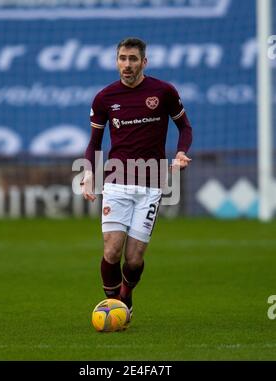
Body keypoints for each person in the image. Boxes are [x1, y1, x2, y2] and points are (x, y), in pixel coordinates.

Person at [81, 37, 192, 323]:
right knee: (111, 249)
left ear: (144, 62)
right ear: (116, 61)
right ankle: (113, 304)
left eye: (132, 59)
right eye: (122, 58)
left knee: (133, 258)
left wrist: (181, 153)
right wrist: (90, 172)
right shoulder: (105, 98)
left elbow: (185, 127)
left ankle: (126, 295)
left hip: (151, 184)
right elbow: (94, 142)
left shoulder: (164, 92)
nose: (127, 65)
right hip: (116, 182)